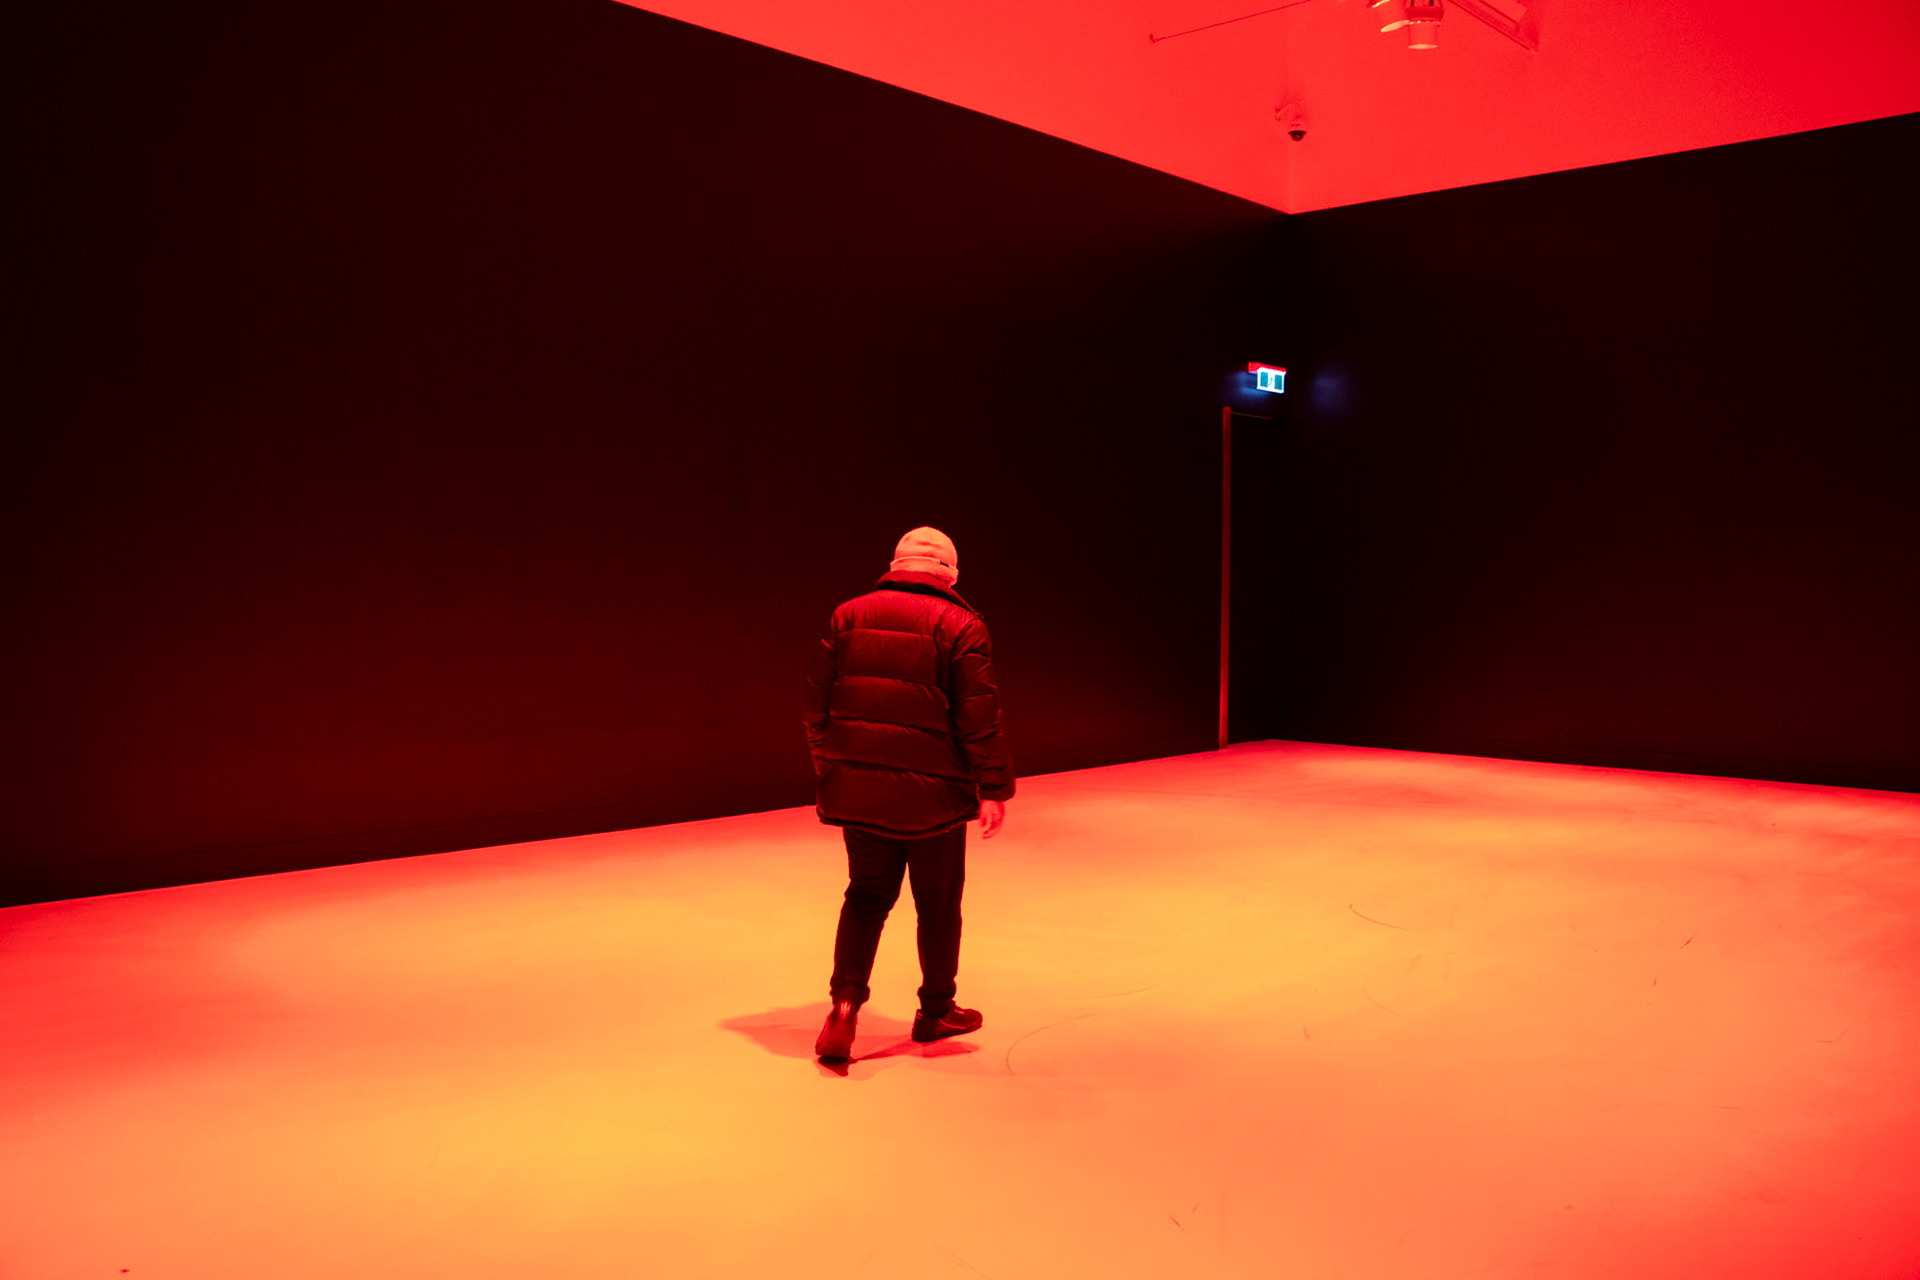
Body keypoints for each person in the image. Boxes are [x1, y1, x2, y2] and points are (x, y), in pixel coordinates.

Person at [803, 527, 1015, 1062]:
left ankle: (845, 1005)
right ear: (949, 574)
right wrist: (993, 787)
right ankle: (936, 1010)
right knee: (937, 906)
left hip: (861, 792)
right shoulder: (962, 625)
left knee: (865, 896)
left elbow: (815, 709)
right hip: (934, 797)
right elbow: (978, 718)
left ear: (896, 565)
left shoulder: (847, 615)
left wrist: (835, 768)